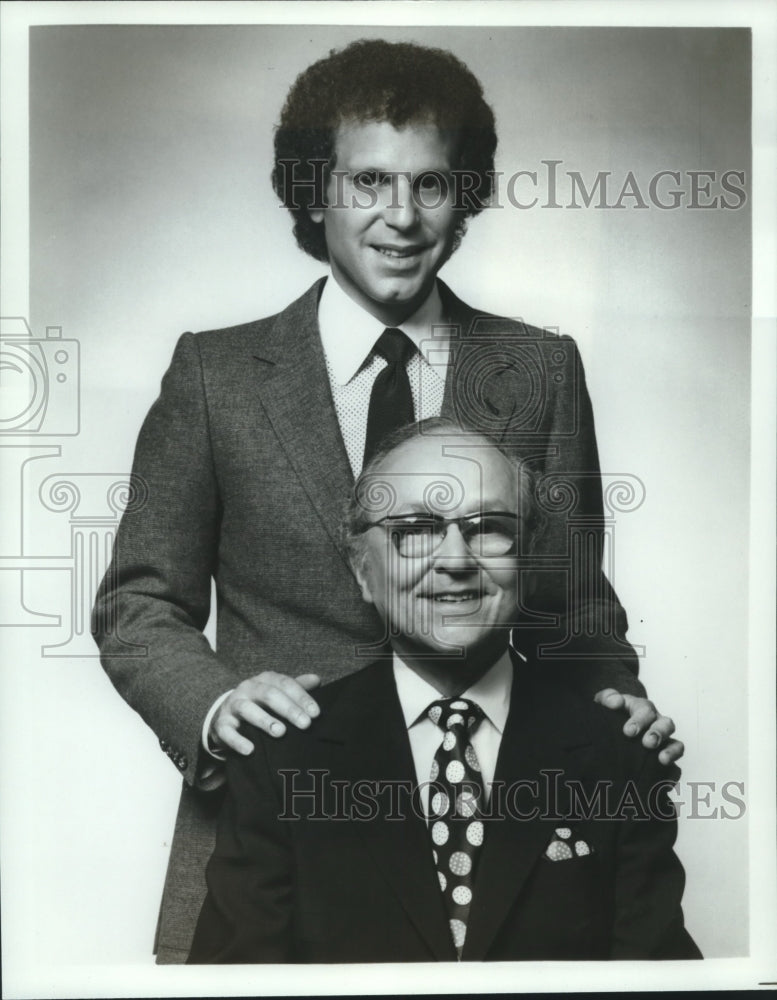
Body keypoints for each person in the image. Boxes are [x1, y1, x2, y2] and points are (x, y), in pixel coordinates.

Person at [93, 38, 682, 963]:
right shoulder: (216, 375)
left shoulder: (536, 368)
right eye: (368, 182)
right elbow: (138, 603)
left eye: (430, 184)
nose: (400, 217)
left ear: (465, 195)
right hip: (269, 849)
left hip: (495, 849)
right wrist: (215, 708)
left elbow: (575, 612)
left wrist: (618, 708)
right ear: (312, 193)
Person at [188, 420, 701, 962]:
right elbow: (234, 984)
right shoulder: (281, 758)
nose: (456, 560)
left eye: (489, 528)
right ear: (363, 571)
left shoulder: (620, 756)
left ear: (528, 560)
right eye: (415, 530)